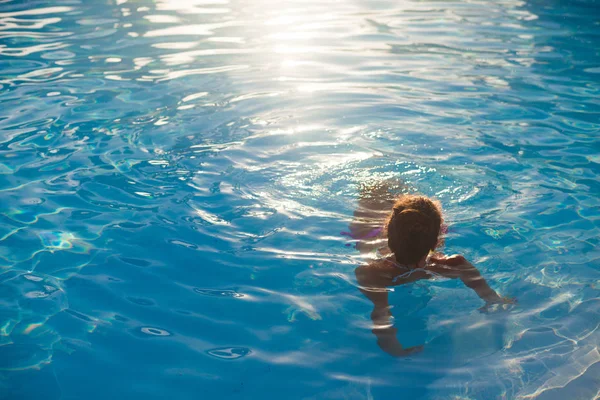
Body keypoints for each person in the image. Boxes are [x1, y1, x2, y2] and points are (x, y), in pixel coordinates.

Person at [349, 181, 515, 357]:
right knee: (372, 204)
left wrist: (398, 352)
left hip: (376, 238)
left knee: (370, 203)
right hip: (375, 235)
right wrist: (497, 302)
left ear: (388, 234)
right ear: (438, 241)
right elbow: (491, 297)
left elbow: (381, 320)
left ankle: (380, 192)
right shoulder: (454, 265)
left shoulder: (372, 274)